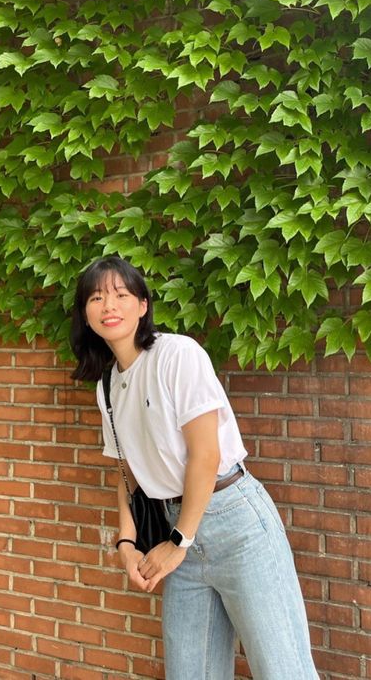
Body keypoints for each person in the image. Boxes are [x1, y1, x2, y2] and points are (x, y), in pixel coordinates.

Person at [70, 256, 319, 680]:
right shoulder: (107, 385)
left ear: (143, 305)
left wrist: (179, 540)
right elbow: (127, 473)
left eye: (120, 294)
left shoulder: (177, 354)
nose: (108, 305)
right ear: (86, 314)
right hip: (177, 536)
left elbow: (206, 455)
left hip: (235, 524)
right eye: (96, 298)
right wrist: (127, 543)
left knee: (283, 670)